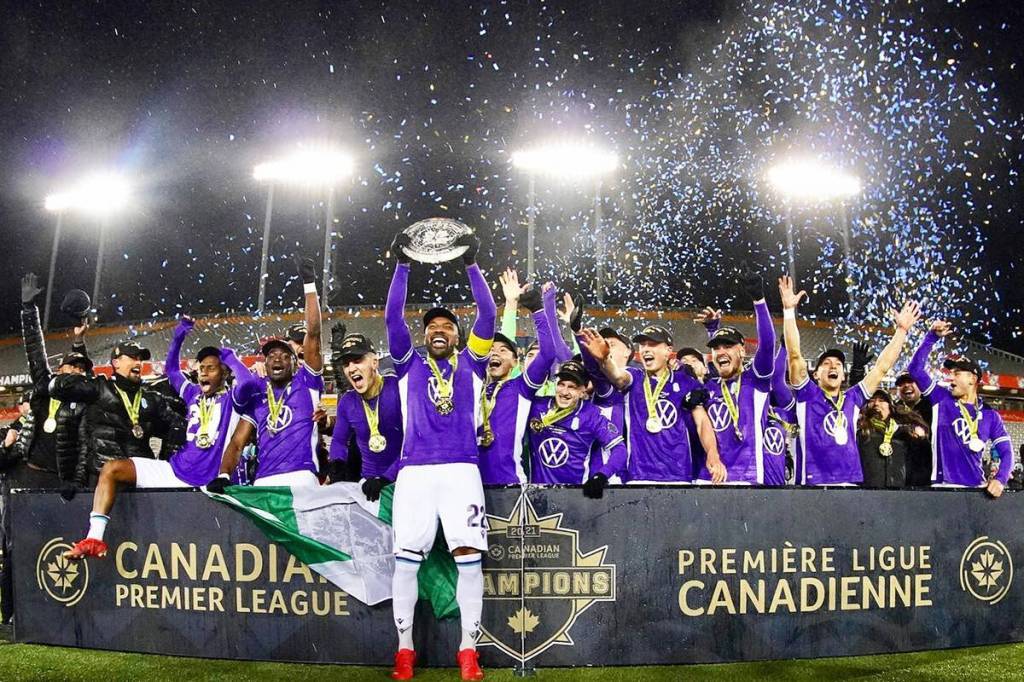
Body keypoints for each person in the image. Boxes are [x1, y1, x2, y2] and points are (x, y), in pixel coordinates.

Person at [385, 229, 494, 681]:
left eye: (447, 326)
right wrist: (403, 264)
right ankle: (404, 650)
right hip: (414, 474)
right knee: (406, 559)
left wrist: (471, 263)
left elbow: (488, 310)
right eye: (432, 326)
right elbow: (393, 316)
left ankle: (468, 650)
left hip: (462, 472)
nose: (438, 330)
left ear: (458, 335)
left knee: (470, 558)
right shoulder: (409, 363)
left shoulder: (474, 362)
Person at [64, 316, 252, 559]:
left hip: (208, 480)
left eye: (211, 368)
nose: (203, 372)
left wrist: (231, 359)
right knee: (112, 469)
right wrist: (179, 335)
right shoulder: (192, 394)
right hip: (175, 472)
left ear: (224, 373)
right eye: (201, 367)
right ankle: (94, 538)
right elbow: (171, 369)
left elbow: (248, 382)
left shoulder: (233, 400)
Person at [779, 275, 921, 486]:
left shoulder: (853, 398)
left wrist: (901, 331)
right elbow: (795, 355)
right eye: (826, 363)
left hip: (850, 483)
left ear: (844, 375)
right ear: (815, 374)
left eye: (838, 364)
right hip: (813, 484)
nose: (833, 366)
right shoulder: (807, 394)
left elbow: (882, 367)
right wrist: (789, 312)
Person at [210, 255, 325, 489]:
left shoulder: (308, 382)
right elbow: (236, 443)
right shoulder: (258, 395)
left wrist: (309, 285)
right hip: (263, 481)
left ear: (296, 363)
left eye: (284, 356)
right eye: (271, 356)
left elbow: (313, 333)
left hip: (302, 477)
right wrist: (223, 475)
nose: (277, 360)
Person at [579, 324, 726, 484]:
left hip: (679, 477)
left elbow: (702, 422)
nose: (646, 349)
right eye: (643, 345)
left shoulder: (685, 382)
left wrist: (713, 454)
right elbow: (618, 377)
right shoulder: (635, 377)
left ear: (668, 350)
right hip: (639, 477)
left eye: (653, 344)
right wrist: (604, 359)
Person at [49, 341, 185, 487]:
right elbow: (57, 386)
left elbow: (179, 428)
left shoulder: (151, 398)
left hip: (140, 476)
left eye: (140, 359)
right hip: (105, 477)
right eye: (133, 357)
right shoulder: (98, 388)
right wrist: (82, 376)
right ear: (116, 362)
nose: (138, 362)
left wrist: (168, 462)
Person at [906, 321, 1014, 496]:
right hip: (942, 488)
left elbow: (1007, 452)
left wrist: (1000, 479)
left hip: (977, 491)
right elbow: (915, 369)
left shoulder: (990, 415)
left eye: (956, 374)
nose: (951, 378)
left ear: (972, 379)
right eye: (950, 374)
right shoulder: (941, 399)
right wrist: (932, 337)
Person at [699, 266, 777, 484]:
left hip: (749, 478)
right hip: (710, 479)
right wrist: (713, 329)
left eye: (728, 346)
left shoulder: (756, 380)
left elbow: (768, 344)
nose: (721, 352)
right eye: (716, 348)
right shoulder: (707, 388)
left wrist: (759, 301)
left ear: (742, 351)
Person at [17, 273, 93, 492]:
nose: (77, 371)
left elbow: (85, 446)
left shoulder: (83, 402)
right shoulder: (45, 384)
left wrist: (76, 482)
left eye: (81, 369)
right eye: (72, 366)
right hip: (31, 473)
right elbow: (34, 349)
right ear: (60, 369)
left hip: (63, 481)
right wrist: (29, 309)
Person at [478, 283, 558, 485]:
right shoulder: (468, 388)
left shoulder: (521, 387)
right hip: (470, 486)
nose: (495, 353)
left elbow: (548, 353)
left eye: (503, 350)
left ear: (515, 362)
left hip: (510, 484)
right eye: (491, 349)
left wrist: (538, 310)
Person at [527, 359, 627, 495]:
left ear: (582, 391)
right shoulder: (537, 406)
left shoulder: (591, 415)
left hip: (574, 496)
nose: (564, 392)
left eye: (572, 387)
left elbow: (620, 450)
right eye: (561, 384)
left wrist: (602, 476)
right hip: (537, 494)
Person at [326, 333, 402, 499]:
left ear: (375, 362)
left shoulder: (398, 389)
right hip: (368, 488)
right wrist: (337, 464)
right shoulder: (347, 402)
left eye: (358, 360)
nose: (351, 368)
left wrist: (387, 477)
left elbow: (414, 441)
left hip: (404, 482)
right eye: (346, 364)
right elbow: (339, 440)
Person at [856, 389, 930, 488]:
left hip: (900, 494)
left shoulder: (904, 433)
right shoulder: (860, 433)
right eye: (871, 400)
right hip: (868, 494)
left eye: (882, 400)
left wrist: (919, 437)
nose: (876, 403)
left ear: (890, 407)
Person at [894, 372, 933, 487]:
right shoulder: (893, 411)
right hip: (900, 471)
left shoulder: (932, 408)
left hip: (926, 470)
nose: (906, 385)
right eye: (901, 383)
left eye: (910, 381)